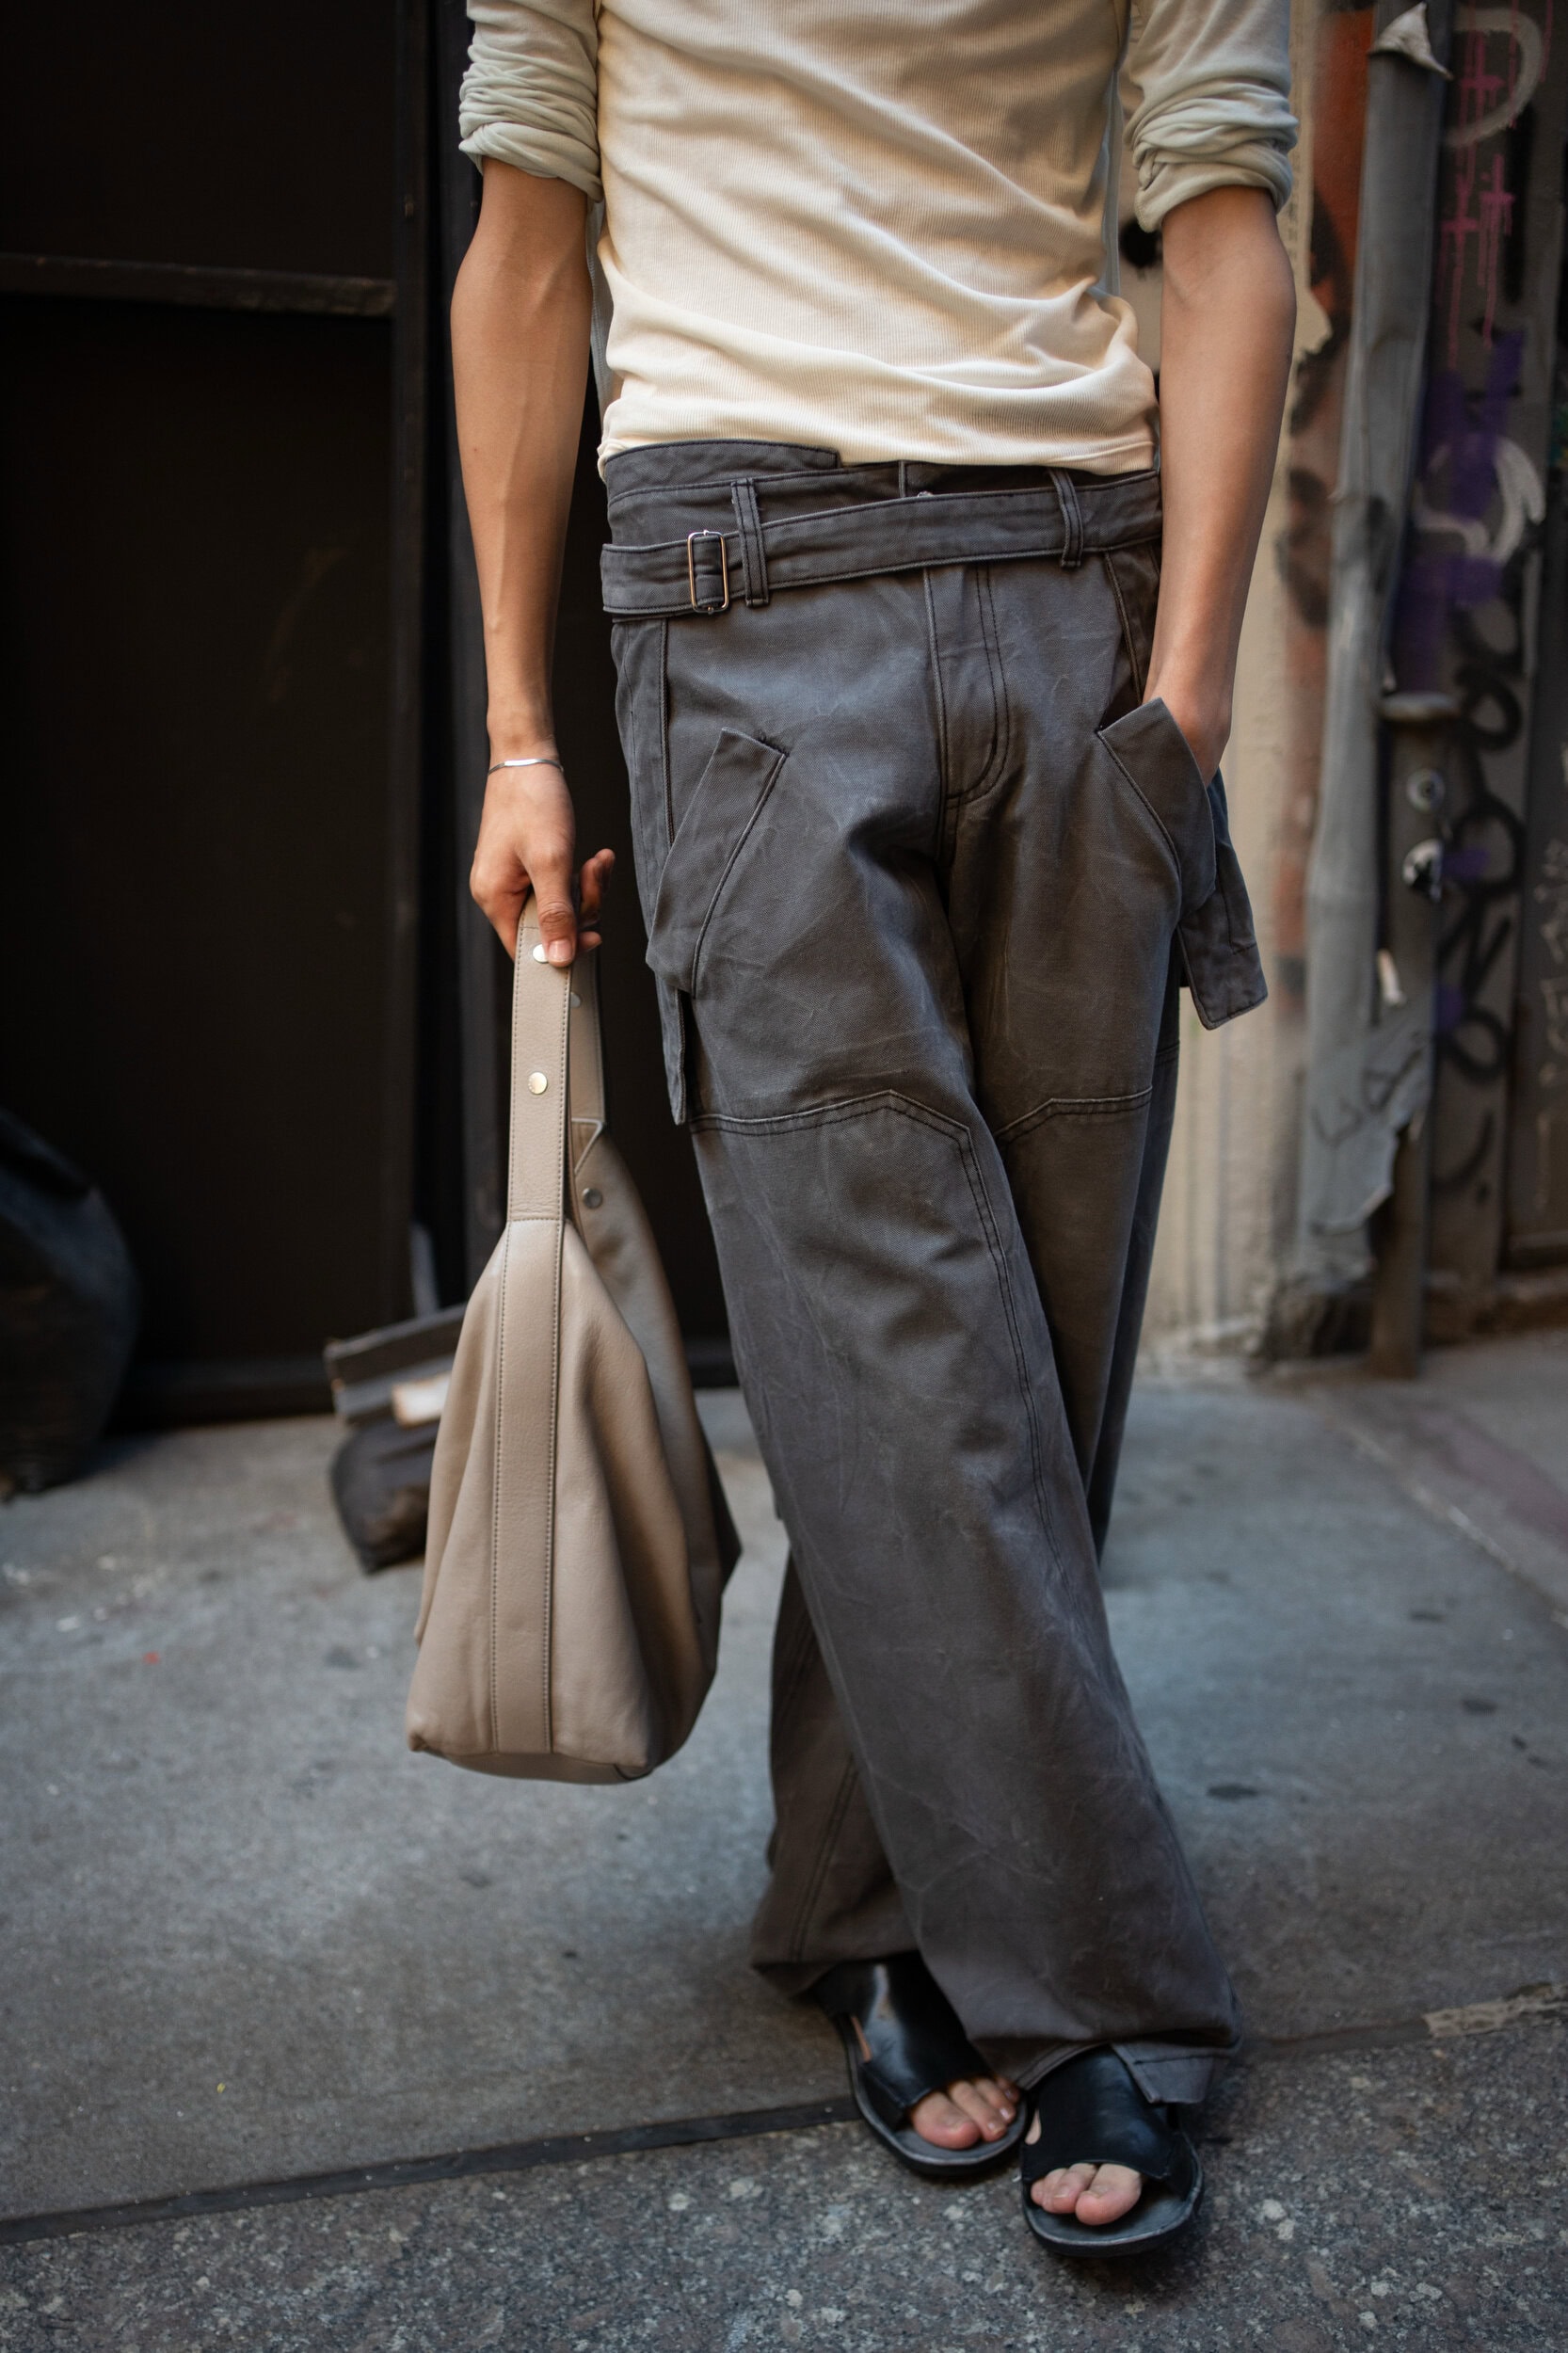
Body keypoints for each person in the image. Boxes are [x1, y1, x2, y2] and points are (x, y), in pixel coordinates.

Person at [454, 0, 1296, 2255]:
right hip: (741, 586)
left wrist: (1190, 689)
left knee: (1021, 1324)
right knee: (902, 1327)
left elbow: (1225, 209)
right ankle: (1100, 1988)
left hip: (1084, 585)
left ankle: (861, 1901)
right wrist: (522, 734)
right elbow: (526, 237)